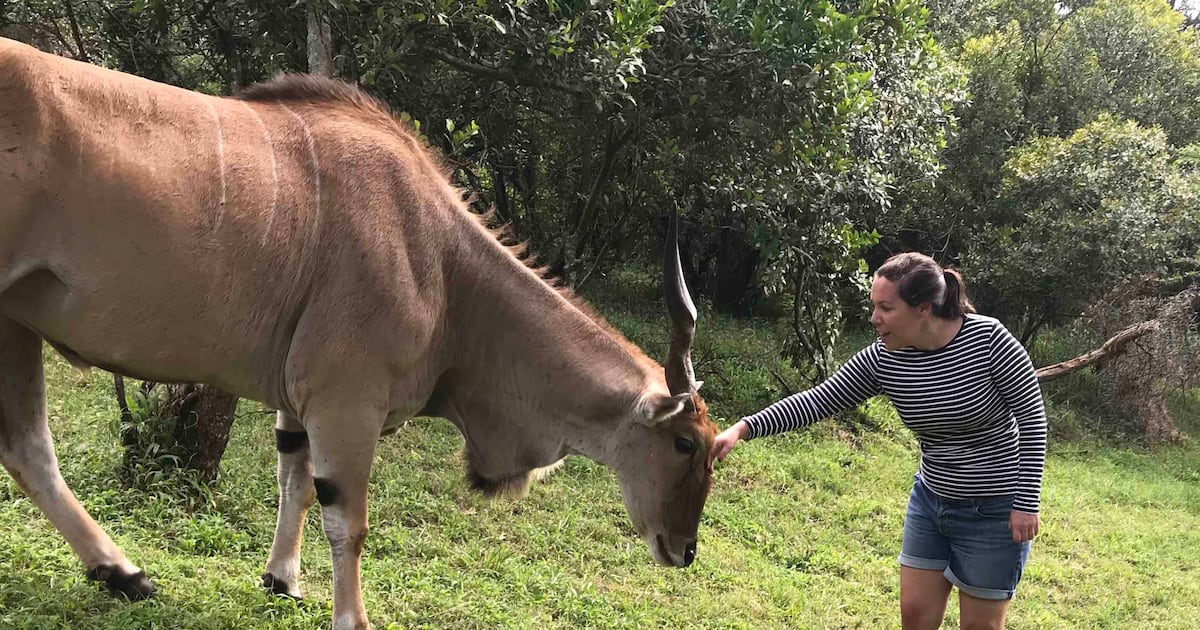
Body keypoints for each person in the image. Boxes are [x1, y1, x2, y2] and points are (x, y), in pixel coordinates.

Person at [709, 252, 1046, 630]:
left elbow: (1033, 419)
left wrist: (1026, 502)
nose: (874, 319)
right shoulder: (885, 357)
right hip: (932, 501)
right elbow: (820, 399)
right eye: (874, 306)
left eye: (886, 307)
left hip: (993, 510)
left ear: (922, 309)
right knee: (915, 618)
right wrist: (743, 428)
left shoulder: (988, 341)